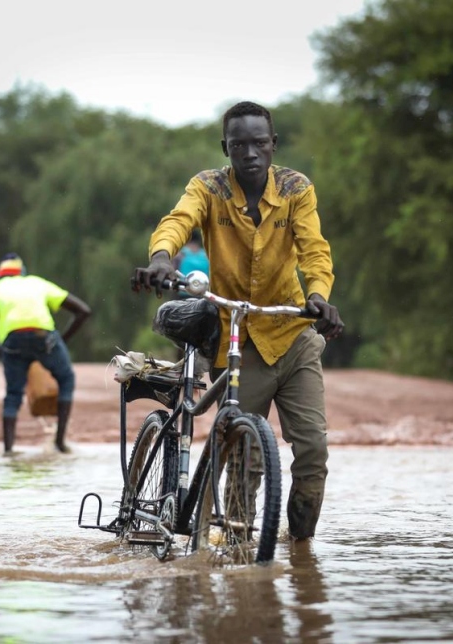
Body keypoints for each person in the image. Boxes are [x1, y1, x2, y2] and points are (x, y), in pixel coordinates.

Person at [132, 101, 344, 541]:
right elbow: (178, 221)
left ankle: (301, 552)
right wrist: (160, 259)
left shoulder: (295, 189)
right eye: (239, 144)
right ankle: (237, 543)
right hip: (238, 335)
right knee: (246, 453)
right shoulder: (208, 187)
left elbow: (314, 250)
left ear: (273, 145)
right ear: (225, 147)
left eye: (259, 143)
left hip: (292, 332)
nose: (249, 153)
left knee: (313, 452)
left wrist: (319, 295)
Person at [0, 253, 91, 454]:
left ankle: (8, 450)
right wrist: (61, 343)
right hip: (43, 337)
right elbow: (83, 310)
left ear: (0, 275)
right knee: (66, 379)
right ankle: (59, 442)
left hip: (12, 341)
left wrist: (3, 354)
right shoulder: (38, 283)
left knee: (13, 395)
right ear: (22, 272)